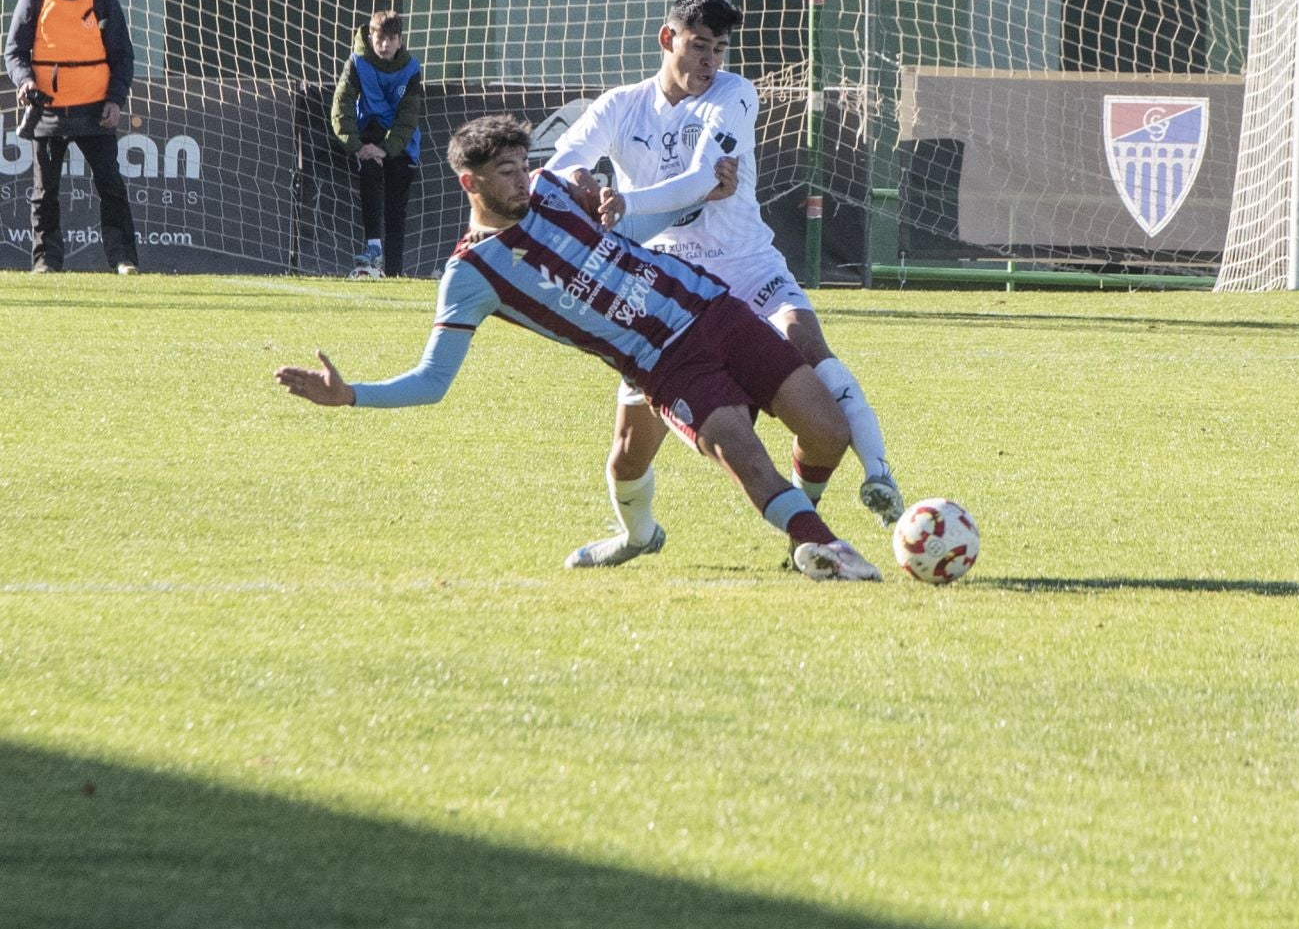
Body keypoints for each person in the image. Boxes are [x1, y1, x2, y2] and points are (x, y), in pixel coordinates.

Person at [274, 114, 882, 582]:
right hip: (664, 362)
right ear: (471, 182)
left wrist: (690, 197)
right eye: (506, 171)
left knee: (828, 429)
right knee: (739, 456)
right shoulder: (471, 274)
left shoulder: (557, 191)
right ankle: (818, 546)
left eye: (521, 164)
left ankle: (780, 528)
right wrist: (351, 396)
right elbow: (434, 381)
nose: (521, 178)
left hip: (715, 309)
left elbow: (631, 232)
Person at [543, 0, 907, 570]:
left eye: (717, 49)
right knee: (627, 457)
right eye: (697, 46)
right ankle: (636, 536)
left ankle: (869, 485)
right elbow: (560, 161)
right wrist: (583, 179)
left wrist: (623, 205)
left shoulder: (734, 94)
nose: (709, 61)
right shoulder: (621, 106)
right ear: (668, 40)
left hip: (747, 265)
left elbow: (702, 180)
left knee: (812, 366)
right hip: (667, 290)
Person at [5, 0, 140, 274]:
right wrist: (24, 82)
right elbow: (15, 53)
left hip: (96, 111)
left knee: (110, 185)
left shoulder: (103, 1)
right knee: (44, 192)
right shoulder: (34, 0)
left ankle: (123, 259)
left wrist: (116, 99)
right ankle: (46, 262)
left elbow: (123, 57)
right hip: (47, 110)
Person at [331, 8, 425, 278]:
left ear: (400, 40)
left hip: (400, 142)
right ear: (370, 36)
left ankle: (393, 272)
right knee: (370, 171)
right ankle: (373, 247)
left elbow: (408, 118)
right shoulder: (357, 63)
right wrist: (357, 145)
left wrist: (387, 148)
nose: (384, 44)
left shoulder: (411, 70)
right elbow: (342, 106)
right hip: (368, 137)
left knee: (397, 205)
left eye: (391, 38)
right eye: (379, 38)